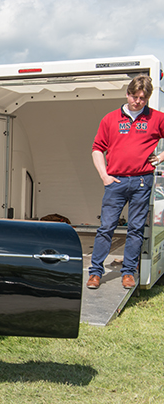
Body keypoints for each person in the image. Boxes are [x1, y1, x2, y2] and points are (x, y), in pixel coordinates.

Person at [87, 75, 164, 290]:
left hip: (142, 181)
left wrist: (160, 158)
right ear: (127, 93)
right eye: (134, 96)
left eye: (143, 98)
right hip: (116, 182)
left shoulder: (157, 118)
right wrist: (104, 176)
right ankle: (95, 272)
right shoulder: (110, 119)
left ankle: (128, 272)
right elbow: (97, 149)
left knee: (136, 229)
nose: (138, 101)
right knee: (106, 227)